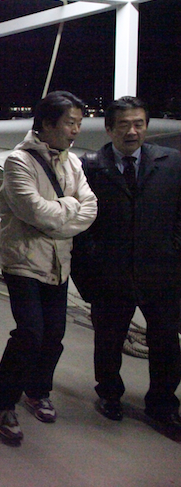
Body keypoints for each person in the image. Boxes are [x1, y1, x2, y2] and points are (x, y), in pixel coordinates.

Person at [0, 91, 97, 442]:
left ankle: (36, 391)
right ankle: (2, 403)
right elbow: (34, 211)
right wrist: (69, 208)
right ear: (47, 124)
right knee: (30, 332)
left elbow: (91, 207)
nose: (75, 130)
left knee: (54, 334)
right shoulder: (18, 161)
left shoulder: (73, 162)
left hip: (59, 261)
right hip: (22, 260)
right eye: (70, 123)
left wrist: (59, 218)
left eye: (79, 123)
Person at [71, 96, 181, 436]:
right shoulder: (89, 167)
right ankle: (109, 394)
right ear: (109, 129)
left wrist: (174, 249)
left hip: (161, 271)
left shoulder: (172, 162)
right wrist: (89, 272)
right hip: (110, 273)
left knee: (166, 342)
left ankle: (163, 405)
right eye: (124, 125)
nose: (132, 132)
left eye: (139, 124)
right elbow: (81, 225)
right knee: (108, 340)